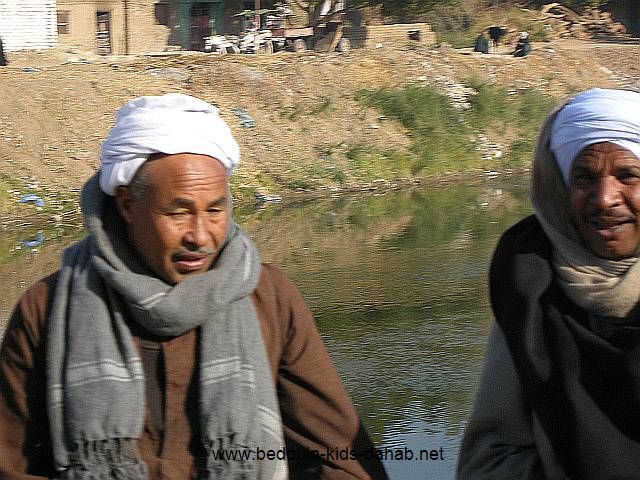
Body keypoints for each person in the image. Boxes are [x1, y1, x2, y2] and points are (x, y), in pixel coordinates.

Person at [0, 93, 389, 480]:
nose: (201, 236)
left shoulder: (268, 297)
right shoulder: (49, 308)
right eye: (178, 212)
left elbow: (343, 459)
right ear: (126, 205)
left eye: (215, 210)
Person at [457, 87, 640, 479]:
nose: (605, 197)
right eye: (584, 178)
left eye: (628, 175)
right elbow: (489, 460)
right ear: (561, 190)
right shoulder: (530, 283)